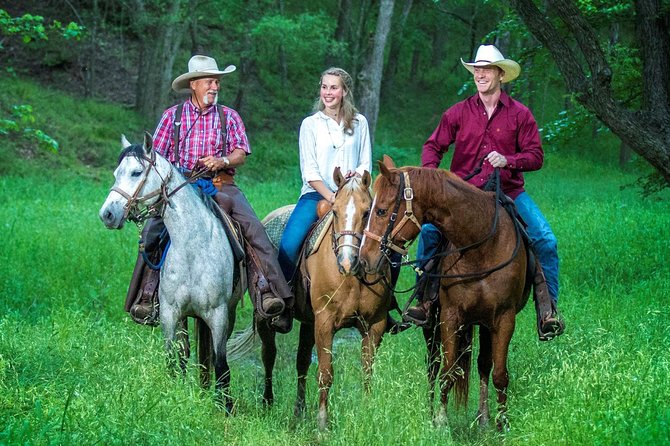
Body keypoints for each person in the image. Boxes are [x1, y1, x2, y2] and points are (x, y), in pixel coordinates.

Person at [404, 44, 565, 340]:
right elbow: (433, 146)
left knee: (545, 238)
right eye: (476, 70)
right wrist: (434, 178)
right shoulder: (458, 112)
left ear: (500, 75)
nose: (480, 75)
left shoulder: (520, 114)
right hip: (463, 195)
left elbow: (536, 156)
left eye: (486, 69)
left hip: (508, 193)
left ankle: (547, 308)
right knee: (429, 233)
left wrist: (509, 160)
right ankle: (424, 300)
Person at [128, 54, 293, 333]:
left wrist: (223, 161)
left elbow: (241, 152)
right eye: (209, 81)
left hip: (220, 185)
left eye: (217, 82)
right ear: (194, 84)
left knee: (253, 230)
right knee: (151, 233)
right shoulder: (173, 117)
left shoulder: (229, 116)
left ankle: (268, 293)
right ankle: (147, 296)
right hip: (180, 189)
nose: (214, 87)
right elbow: (155, 158)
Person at [278, 67, 371, 281]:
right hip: (317, 194)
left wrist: (355, 177)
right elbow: (309, 171)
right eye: (324, 87)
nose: (328, 92)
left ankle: (386, 301)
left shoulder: (360, 122)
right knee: (289, 244)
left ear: (344, 91)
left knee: (386, 244)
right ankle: (282, 298)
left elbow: (365, 163)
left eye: (334, 88)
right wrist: (331, 196)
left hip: (355, 196)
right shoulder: (310, 124)